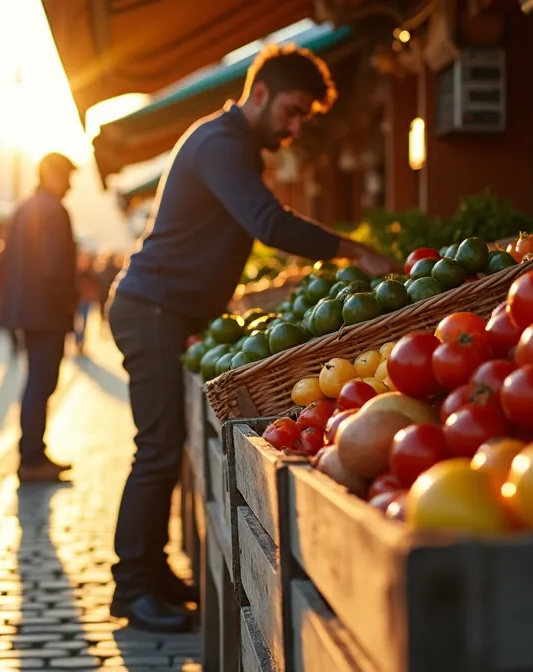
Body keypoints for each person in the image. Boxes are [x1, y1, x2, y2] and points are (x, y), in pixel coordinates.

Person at [106, 44, 395, 633]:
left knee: (161, 450)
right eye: (291, 111)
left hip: (164, 311)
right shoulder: (221, 144)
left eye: (303, 118)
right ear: (259, 94)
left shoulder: (226, 144)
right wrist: (355, 250)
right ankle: (132, 587)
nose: (293, 127)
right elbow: (268, 223)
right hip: (152, 309)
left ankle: (151, 575)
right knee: (157, 450)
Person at [0, 152, 79, 483]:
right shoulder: (53, 211)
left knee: (35, 382)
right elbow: (53, 266)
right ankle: (31, 457)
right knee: (41, 383)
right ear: (51, 175)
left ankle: (33, 451)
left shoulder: (23, 207)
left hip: (27, 310)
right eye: (67, 176)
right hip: (46, 311)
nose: (71, 184)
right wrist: (67, 305)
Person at [74, 251, 98, 354]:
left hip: (85, 301)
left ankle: (81, 343)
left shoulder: (89, 274)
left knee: (84, 323)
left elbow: (93, 287)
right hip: (78, 301)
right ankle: (78, 341)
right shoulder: (77, 274)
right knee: (77, 324)